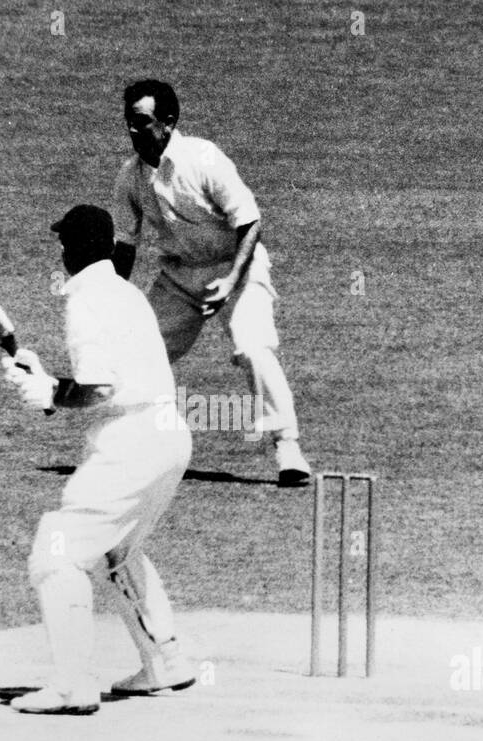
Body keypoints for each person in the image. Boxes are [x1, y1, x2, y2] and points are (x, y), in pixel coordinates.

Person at [2, 205, 195, 715]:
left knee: (56, 552)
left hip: (130, 443)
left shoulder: (85, 297)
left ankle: (72, 685)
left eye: (63, 245)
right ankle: (164, 661)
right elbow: (107, 381)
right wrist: (49, 385)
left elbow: (100, 387)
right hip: (168, 437)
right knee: (119, 550)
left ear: (71, 249)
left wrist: (51, 390)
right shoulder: (126, 293)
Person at [112, 79, 312, 486]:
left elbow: (250, 221)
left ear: (167, 123)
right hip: (180, 276)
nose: (132, 130)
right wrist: (110, 300)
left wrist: (231, 281)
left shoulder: (204, 158)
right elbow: (125, 245)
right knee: (137, 355)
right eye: (128, 121)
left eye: (141, 122)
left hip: (237, 266)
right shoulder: (129, 177)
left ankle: (287, 447)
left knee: (254, 348)